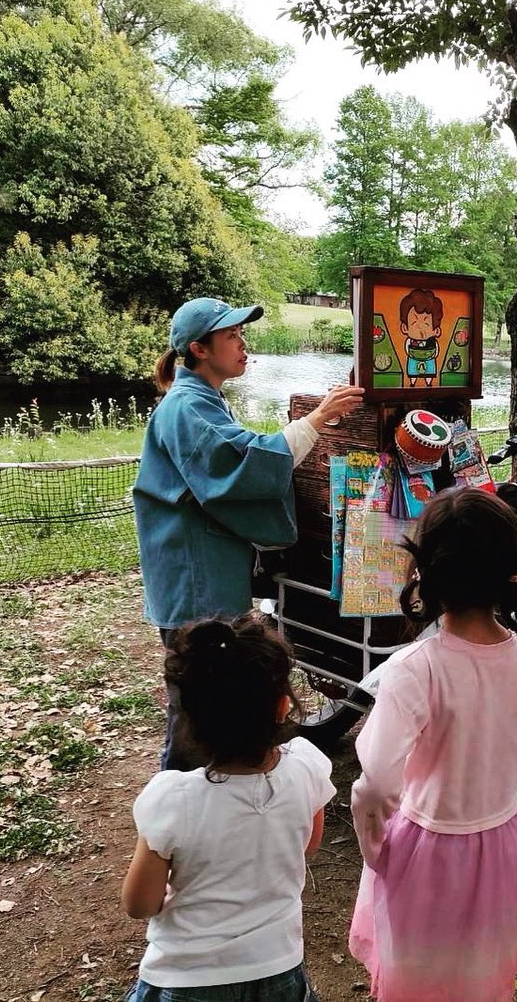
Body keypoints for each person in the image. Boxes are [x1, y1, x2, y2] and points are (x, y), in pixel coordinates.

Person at [133, 296, 363, 769]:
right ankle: (175, 810)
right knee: (197, 701)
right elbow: (244, 464)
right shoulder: (187, 407)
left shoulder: (201, 399)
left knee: (209, 692)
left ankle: (199, 802)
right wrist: (316, 420)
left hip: (200, 568)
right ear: (199, 349)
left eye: (241, 334)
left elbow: (242, 455)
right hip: (195, 574)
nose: (243, 344)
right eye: (232, 336)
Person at [348, 488, 517, 1002]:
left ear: (428, 572)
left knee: (418, 972)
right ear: (510, 571)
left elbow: (377, 772)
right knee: (483, 968)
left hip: (428, 845)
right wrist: (488, 780)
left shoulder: (417, 669)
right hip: (503, 838)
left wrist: (377, 836)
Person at [121, 616, 334, 1002]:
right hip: (278, 970)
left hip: (184, 979)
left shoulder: (172, 799)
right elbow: (308, 846)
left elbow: (139, 904)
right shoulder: (307, 768)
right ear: (283, 706)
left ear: (188, 715)